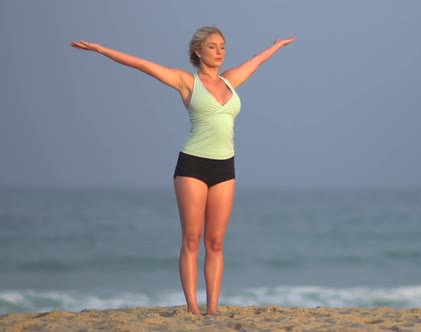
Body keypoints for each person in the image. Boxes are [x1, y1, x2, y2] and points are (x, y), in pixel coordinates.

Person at [71, 26, 296, 316]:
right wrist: (101, 49)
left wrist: (276, 45)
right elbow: (141, 64)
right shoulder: (186, 81)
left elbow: (257, 60)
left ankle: (212, 309)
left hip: (225, 166)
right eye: (212, 46)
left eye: (223, 46)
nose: (219, 51)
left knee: (215, 242)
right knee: (191, 239)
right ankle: (192, 307)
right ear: (198, 51)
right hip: (193, 164)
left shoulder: (230, 82)